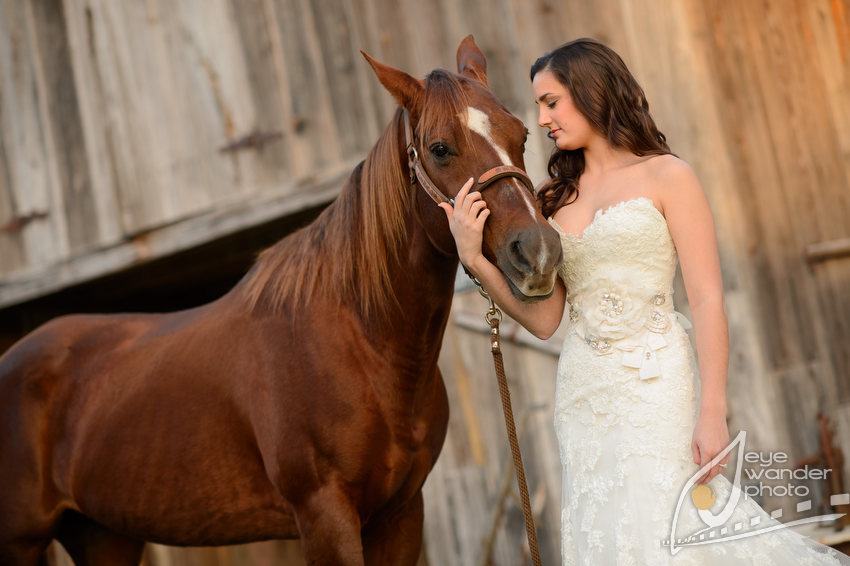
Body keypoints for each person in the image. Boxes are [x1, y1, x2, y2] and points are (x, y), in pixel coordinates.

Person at [439, 38, 850, 565]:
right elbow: (545, 320)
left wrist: (714, 411)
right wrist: (475, 261)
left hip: (656, 381)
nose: (541, 119)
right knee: (607, 531)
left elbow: (705, 299)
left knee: (668, 520)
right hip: (584, 392)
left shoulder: (668, 176)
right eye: (539, 105)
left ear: (590, 93)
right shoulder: (552, 196)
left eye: (551, 101)